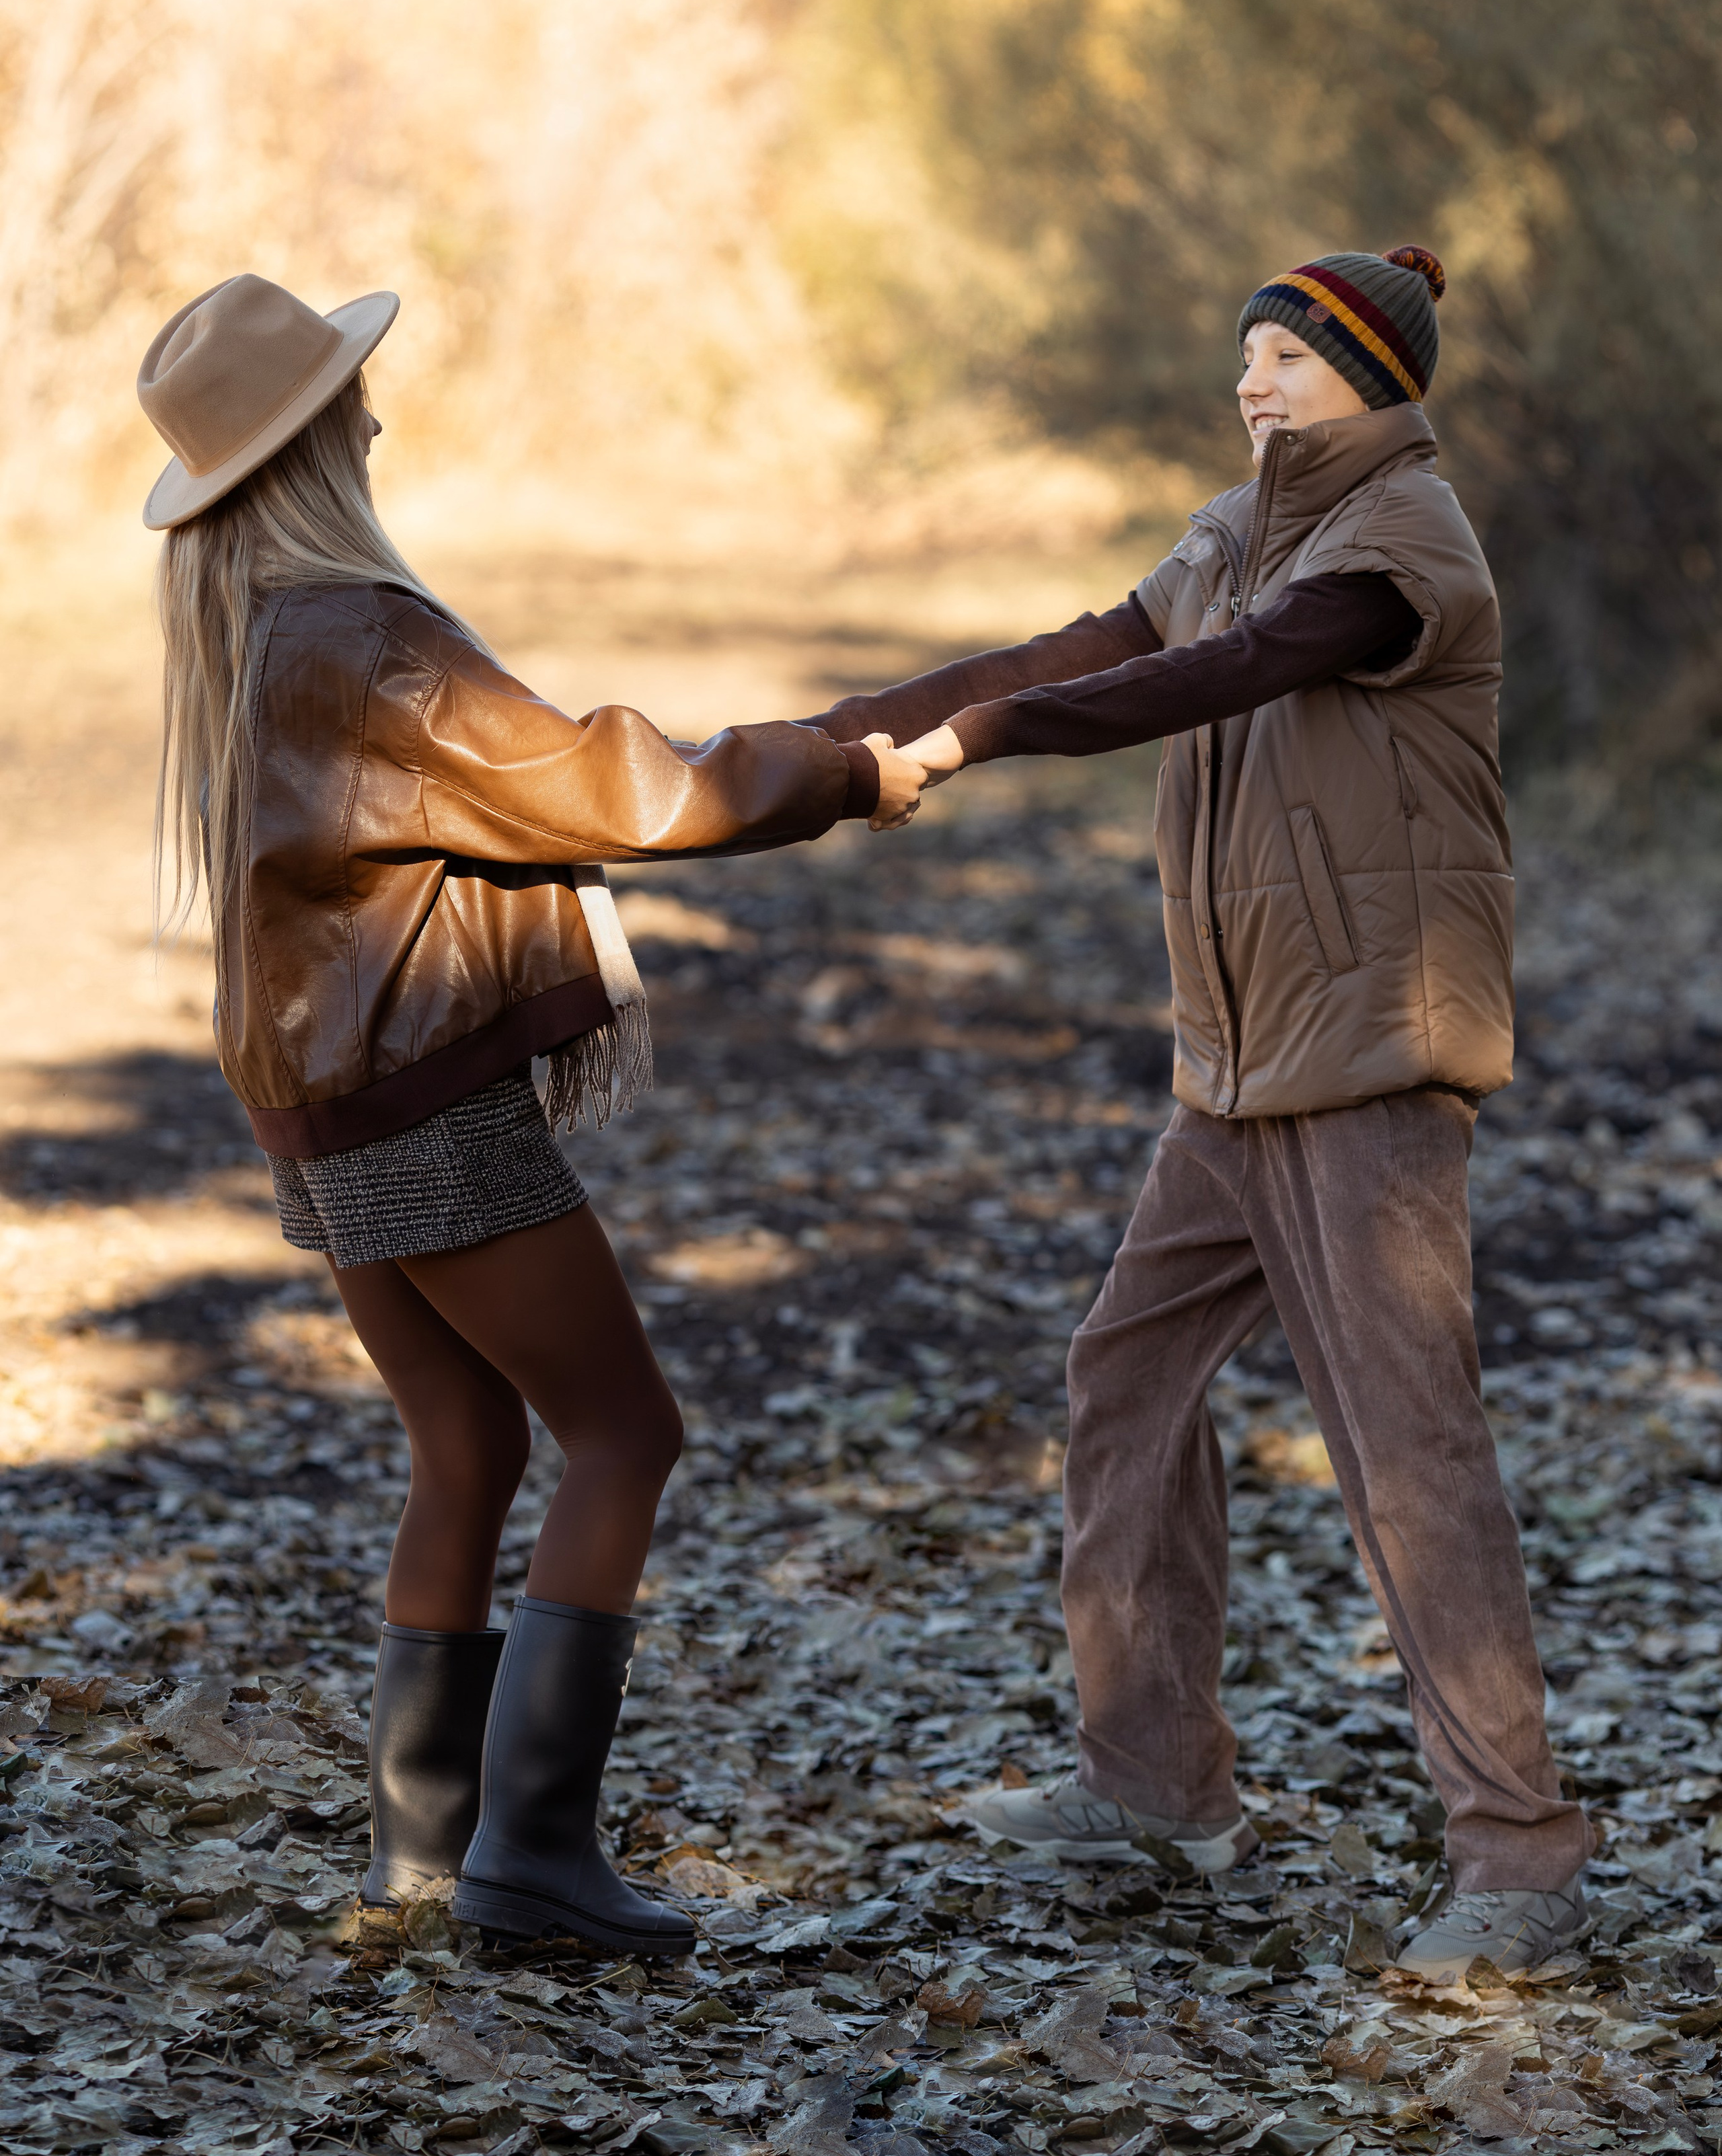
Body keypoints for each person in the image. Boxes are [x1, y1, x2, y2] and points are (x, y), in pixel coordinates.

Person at [811, 247, 1594, 1985]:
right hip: (1236, 1072)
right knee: (1127, 1381)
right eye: (1246, 356)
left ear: (1378, 380)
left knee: (1409, 1455)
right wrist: (830, 740)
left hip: (1373, 1056)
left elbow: (1210, 680)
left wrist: (982, 745)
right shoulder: (1241, 525)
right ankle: (1155, 1787)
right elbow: (1096, 642)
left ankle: (1520, 1857)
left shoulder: (1404, 547)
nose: (1256, 386)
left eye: (1292, 364)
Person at [139, 272, 923, 1956]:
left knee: (468, 1441)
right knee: (627, 1434)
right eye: (349, 398)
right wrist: (848, 772)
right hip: (423, 1108)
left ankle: (421, 1860)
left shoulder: (252, 632)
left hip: (325, 1121)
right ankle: (531, 1864)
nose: (374, 412)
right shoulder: (362, 635)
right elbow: (608, 790)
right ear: (308, 447)